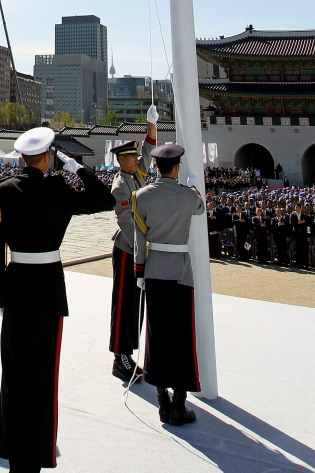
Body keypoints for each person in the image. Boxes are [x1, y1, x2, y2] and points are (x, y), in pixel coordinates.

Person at [0, 127, 114, 473]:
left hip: (15, 288)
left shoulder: (2, 191)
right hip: (47, 291)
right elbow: (105, 199)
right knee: (43, 377)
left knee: (14, 374)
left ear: (22, 157)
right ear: (48, 157)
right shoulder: (59, 189)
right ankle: (36, 456)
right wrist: (76, 168)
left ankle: (13, 455)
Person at [132, 142, 205, 427]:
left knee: (157, 336)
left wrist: (140, 271)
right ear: (176, 167)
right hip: (181, 272)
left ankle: (162, 401)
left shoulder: (141, 196)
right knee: (182, 338)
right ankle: (179, 404)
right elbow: (200, 208)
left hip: (154, 270)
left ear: (156, 167)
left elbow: (140, 239)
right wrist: (193, 187)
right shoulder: (188, 197)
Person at [108, 105, 157, 380]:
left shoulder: (135, 175)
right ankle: (120, 356)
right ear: (121, 160)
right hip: (129, 250)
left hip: (138, 251)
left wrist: (152, 124)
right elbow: (127, 223)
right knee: (125, 303)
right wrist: (143, 250)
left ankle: (126, 353)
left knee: (136, 305)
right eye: (132, 156)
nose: (138, 159)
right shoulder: (120, 186)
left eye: (136, 156)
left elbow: (149, 150)